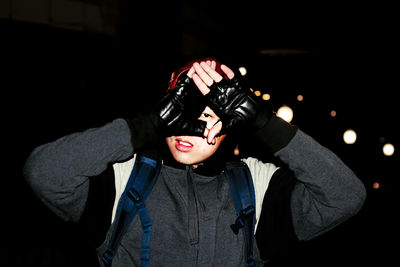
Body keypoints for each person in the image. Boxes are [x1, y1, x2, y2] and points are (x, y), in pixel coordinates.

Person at [23, 58, 367, 266]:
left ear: (230, 123)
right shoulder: (124, 178)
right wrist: (147, 125)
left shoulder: (255, 187)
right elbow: (44, 173)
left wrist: (265, 122)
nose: (188, 127)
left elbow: (346, 196)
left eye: (205, 113)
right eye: (181, 112)